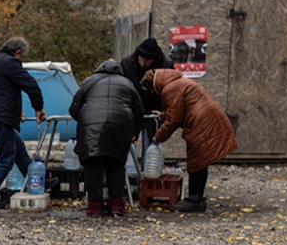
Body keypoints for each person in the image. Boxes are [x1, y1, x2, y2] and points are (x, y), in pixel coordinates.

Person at [0, 36, 47, 210]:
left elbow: (1, 91)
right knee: (6, 158)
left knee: (18, 146)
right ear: (18, 52)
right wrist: (38, 108)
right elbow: (30, 85)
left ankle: (33, 181)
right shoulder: (10, 63)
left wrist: (13, 112)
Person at [149, 68, 238, 212]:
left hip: (200, 121)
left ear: (154, 84)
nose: (153, 93)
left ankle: (194, 199)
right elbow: (179, 110)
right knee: (202, 160)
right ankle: (198, 198)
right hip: (207, 117)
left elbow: (174, 120)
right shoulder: (177, 83)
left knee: (196, 160)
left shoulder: (168, 89)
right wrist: (163, 116)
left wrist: (157, 138)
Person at [68, 59, 144, 217]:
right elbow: (139, 112)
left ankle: (94, 205)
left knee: (93, 163)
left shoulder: (89, 81)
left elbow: (74, 108)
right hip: (120, 126)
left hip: (91, 125)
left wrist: (86, 122)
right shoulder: (127, 83)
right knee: (116, 164)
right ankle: (116, 204)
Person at [119, 37, 174, 141]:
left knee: (152, 141)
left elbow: (169, 91)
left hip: (154, 109)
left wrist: (163, 111)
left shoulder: (166, 65)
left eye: (147, 61)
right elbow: (122, 89)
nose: (143, 63)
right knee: (128, 141)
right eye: (141, 59)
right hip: (133, 108)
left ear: (154, 59)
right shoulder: (127, 63)